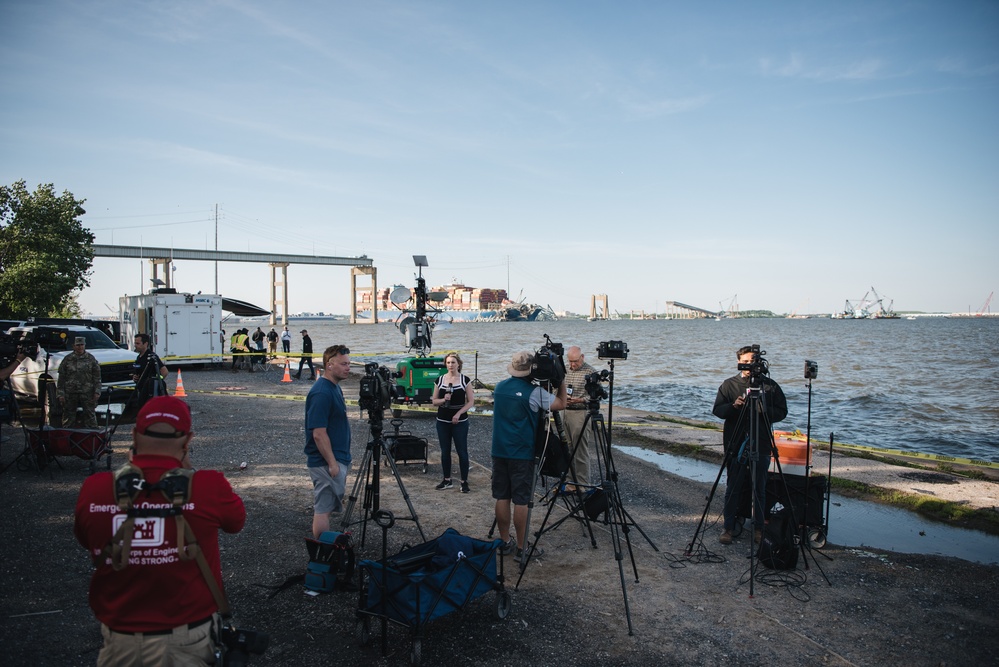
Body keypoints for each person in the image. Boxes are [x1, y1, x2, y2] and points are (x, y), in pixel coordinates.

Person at [73, 395, 246, 666]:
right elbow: (236, 523)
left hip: (119, 642)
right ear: (188, 440)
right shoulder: (210, 486)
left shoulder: (95, 488)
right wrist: (185, 472)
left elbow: (87, 539)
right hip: (187, 640)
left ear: (134, 435)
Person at [492, 351, 567, 563]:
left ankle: (504, 541)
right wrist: (560, 380)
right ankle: (522, 548)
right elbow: (561, 403)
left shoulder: (499, 388)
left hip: (499, 450)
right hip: (521, 453)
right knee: (522, 500)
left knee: (502, 496)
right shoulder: (534, 393)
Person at [712, 344, 788, 546]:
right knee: (733, 486)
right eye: (744, 362)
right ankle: (728, 527)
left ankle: (758, 529)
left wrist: (765, 411)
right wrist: (733, 406)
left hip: (761, 442)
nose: (748, 366)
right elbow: (718, 410)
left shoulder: (770, 386)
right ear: (738, 362)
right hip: (735, 442)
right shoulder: (729, 385)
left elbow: (782, 412)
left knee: (759, 488)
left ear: (759, 363)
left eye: (752, 361)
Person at [305, 345, 353, 538]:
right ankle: (322, 553)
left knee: (328, 506)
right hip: (325, 462)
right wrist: (332, 463)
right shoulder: (322, 392)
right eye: (343, 364)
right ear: (329, 365)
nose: (348, 368)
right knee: (323, 509)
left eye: (349, 363)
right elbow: (318, 433)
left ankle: (326, 547)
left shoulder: (334, 388)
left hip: (336, 458)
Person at [431, 352, 475, 493]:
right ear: (446, 364)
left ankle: (464, 482)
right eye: (448, 362)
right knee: (445, 451)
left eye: (453, 362)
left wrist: (458, 413)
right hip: (442, 420)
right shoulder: (440, 380)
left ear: (458, 364)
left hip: (460, 421)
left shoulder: (464, 380)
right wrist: (444, 399)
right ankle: (447, 480)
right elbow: (434, 401)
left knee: (462, 451)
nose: (450, 365)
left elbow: (471, 401)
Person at [561, 345, 598, 489]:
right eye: (570, 361)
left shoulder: (591, 372)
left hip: (580, 413)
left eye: (575, 361)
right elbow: (558, 388)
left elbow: (594, 397)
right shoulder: (565, 370)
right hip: (564, 411)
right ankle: (570, 482)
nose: (572, 364)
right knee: (567, 448)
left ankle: (582, 484)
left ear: (582, 357)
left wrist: (580, 400)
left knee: (580, 450)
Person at [57, 336, 102, 428]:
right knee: (68, 418)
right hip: (70, 392)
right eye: (78, 345)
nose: (80, 347)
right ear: (73, 346)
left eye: (82, 345)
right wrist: (60, 394)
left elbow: (97, 377)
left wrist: (97, 391)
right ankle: (66, 438)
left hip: (87, 392)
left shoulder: (91, 359)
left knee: (90, 417)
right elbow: (61, 378)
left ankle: (92, 438)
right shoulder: (67, 359)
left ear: (85, 345)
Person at [132, 333, 169, 411]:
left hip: (149, 393)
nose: (135, 345)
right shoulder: (139, 357)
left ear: (145, 344)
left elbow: (164, 371)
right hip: (140, 390)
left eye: (138, 343)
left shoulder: (152, 357)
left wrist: (156, 381)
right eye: (135, 343)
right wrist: (135, 377)